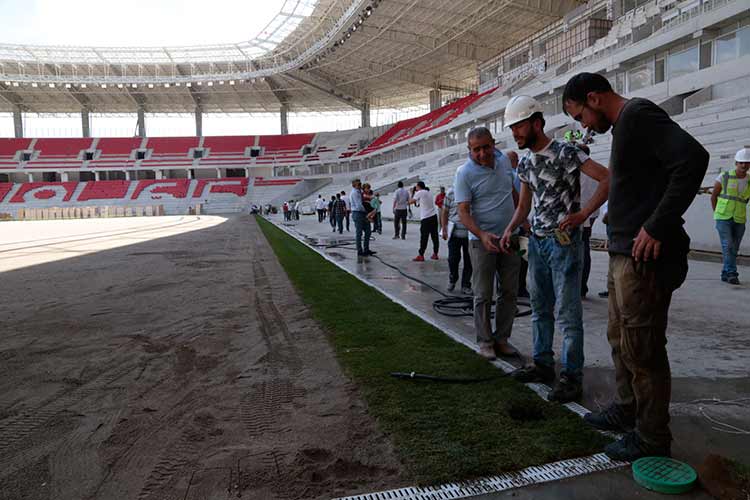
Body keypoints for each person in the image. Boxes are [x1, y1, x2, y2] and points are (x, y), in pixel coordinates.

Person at [562, 72, 708, 461]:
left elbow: (694, 159)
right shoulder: (626, 127)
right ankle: (627, 410)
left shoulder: (639, 114)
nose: (584, 128)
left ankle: (652, 436)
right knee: (620, 340)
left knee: (643, 350)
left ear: (594, 98)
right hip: (623, 254)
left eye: (580, 118)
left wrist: (656, 225)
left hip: (644, 261)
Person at [499, 95, 610, 403]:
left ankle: (572, 377)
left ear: (536, 123)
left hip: (564, 243)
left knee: (568, 313)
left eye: (519, 127)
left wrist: (583, 214)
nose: (515, 134)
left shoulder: (566, 151)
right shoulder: (524, 162)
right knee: (540, 309)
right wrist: (510, 229)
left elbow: (606, 179)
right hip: (537, 242)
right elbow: (524, 205)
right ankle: (543, 364)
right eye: (512, 129)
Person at [455, 127, 520, 361]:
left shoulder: (503, 161)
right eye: (476, 150)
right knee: (483, 293)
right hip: (482, 241)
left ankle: (502, 339)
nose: (482, 153)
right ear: (469, 150)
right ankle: (485, 341)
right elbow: (463, 212)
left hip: (509, 237)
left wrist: (520, 222)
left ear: (494, 143)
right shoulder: (464, 173)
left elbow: (511, 192)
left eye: (486, 147)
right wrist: (481, 234)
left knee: (510, 291)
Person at [711, 147, 750, 285]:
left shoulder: (749, 181)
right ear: (736, 163)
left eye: (747, 163)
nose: (744, 165)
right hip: (723, 218)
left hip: (739, 219)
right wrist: (717, 213)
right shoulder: (724, 176)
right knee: (727, 245)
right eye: (741, 162)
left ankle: (725, 274)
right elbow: (714, 196)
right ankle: (732, 273)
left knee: (734, 248)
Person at [506, 150, 530, 298]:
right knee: (521, 258)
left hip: (507, 225)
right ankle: (520, 287)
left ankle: (509, 287)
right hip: (518, 225)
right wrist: (525, 221)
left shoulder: (503, 176)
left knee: (507, 260)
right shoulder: (516, 177)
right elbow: (521, 204)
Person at [441, 187, 472, 294]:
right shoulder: (451, 193)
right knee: (452, 259)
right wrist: (444, 228)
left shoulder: (473, 191)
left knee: (469, 260)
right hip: (454, 232)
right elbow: (445, 211)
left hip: (470, 233)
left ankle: (466, 284)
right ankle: (453, 278)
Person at [579, 174, 601, 298]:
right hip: (591, 214)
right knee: (585, 248)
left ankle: (579, 286)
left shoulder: (579, 171)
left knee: (579, 251)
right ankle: (582, 287)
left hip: (579, 215)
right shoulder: (594, 172)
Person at [409, 181, 439, 261]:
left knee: (424, 237)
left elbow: (411, 202)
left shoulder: (420, 192)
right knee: (434, 236)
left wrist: (412, 193)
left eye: (416, 187)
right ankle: (435, 254)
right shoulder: (428, 192)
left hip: (426, 218)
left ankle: (421, 255)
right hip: (433, 216)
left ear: (418, 186)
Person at [350, 179, 375, 257]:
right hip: (358, 213)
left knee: (368, 231)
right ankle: (360, 250)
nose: (360, 186)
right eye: (358, 184)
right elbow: (359, 206)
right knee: (359, 232)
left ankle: (366, 249)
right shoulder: (354, 193)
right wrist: (369, 211)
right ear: (354, 185)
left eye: (360, 184)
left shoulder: (359, 192)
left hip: (362, 213)